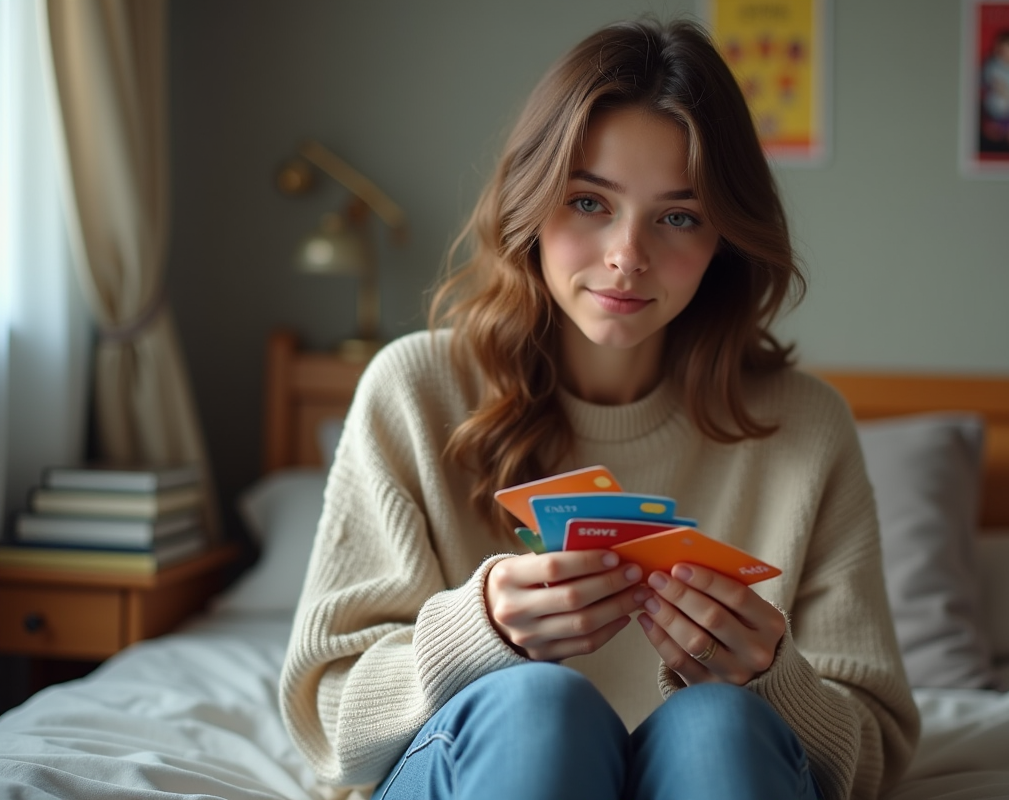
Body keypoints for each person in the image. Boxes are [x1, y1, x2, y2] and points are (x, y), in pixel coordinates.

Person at [280, 18, 919, 800]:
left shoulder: (806, 428)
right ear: (533, 201)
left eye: (678, 216)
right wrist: (478, 631)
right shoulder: (413, 392)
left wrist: (771, 678)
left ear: (725, 238)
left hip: (721, 766)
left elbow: (874, 753)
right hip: (478, 762)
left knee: (718, 727)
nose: (627, 254)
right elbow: (325, 720)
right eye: (589, 201)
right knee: (540, 708)